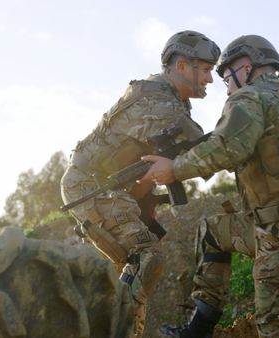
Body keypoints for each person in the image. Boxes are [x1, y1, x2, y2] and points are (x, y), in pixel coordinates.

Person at [143, 35, 279, 338]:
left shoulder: (248, 98)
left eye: (226, 78)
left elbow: (226, 147)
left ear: (245, 68)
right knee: (213, 230)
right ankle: (197, 331)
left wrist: (174, 169)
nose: (227, 86)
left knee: (276, 330)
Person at [60, 30, 220, 337]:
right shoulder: (159, 101)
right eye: (206, 69)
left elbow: (153, 161)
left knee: (141, 259)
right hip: (89, 187)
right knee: (145, 256)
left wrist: (144, 200)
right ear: (183, 66)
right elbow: (207, 151)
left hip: (110, 186)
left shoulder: (165, 97)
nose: (210, 79)